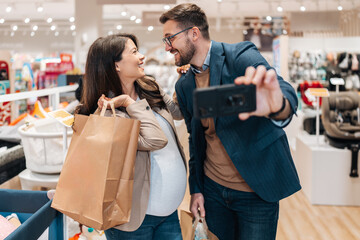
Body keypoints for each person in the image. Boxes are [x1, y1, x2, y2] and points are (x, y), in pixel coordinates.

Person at [159, 4, 301, 240]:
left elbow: (283, 90)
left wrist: (277, 106)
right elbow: (196, 140)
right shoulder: (184, 85)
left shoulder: (239, 56)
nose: (166, 47)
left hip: (255, 191)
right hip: (214, 191)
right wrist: (197, 190)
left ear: (194, 33)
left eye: (169, 38)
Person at [77, 33, 186, 240]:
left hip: (169, 213)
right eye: (134, 52)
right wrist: (129, 103)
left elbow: (178, 112)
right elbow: (156, 140)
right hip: (132, 221)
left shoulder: (149, 87)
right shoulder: (108, 112)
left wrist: (183, 80)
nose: (142, 56)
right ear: (116, 65)